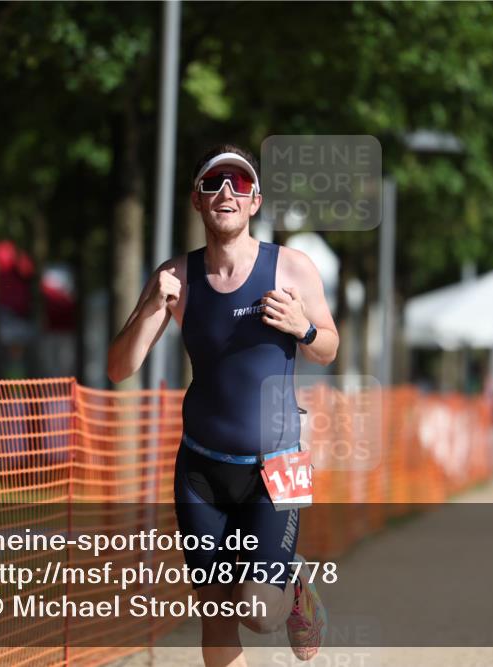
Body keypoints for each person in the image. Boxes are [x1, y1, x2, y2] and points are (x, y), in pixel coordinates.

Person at [106, 144, 338, 666]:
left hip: (280, 465)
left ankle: (295, 586)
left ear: (255, 200)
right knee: (215, 612)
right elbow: (118, 369)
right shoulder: (176, 277)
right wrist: (149, 307)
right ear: (197, 200)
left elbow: (328, 349)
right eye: (214, 184)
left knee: (257, 610)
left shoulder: (292, 268)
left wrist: (301, 327)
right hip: (201, 470)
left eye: (239, 183)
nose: (227, 192)